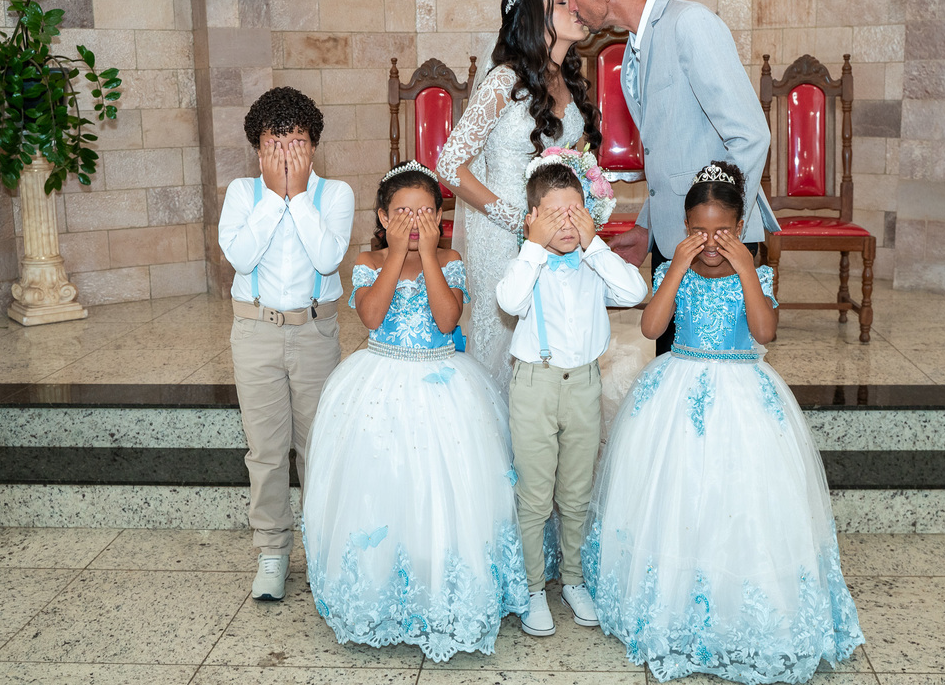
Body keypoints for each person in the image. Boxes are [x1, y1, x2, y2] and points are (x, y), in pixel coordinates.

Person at [582, 161, 864, 682]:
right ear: (684, 230)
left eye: (722, 232)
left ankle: (741, 604)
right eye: (696, 231)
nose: (709, 241)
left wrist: (745, 270)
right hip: (677, 389)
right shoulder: (677, 270)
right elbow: (650, 326)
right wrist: (673, 267)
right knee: (679, 497)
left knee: (740, 499)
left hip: (742, 395)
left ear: (740, 230)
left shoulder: (757, 275)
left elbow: (765, 330)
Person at [302, 162, 528, 662]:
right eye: (401, 211)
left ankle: (439, 584)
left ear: (441, 216)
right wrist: (396, 255)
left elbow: (448, 319)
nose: (412, 219)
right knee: (382, 486)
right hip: (378, 381)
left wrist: (425, 253)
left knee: (443, 489)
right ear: (382, 216)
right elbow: (371, 315)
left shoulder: (448, 257)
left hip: (444, 382)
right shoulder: (366, 258)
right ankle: (381, 588)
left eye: (424, 211)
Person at [557, 0, 780, 355]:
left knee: (719, 366)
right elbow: (671, 152)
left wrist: (723, 229)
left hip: (714, 241)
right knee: (676, 362)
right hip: (677, 239)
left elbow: (751, 136)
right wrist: (648, 225)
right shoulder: (632, 54)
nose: (573, 5)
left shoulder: (689, 24)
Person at [495, 160, 647, 637]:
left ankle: (575, 580)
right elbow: (510, 302)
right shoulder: (526, 265)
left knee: (577, 491)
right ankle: (534, 586)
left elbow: (635, 290)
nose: (566, 222)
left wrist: (594, 245)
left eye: (575, 211)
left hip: (583, 385)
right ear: (531, 218)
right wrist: (534, 249)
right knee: (536, 495)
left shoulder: (593, 262)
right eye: (553, 214)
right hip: (535, 387)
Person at [218, 86, 355, 602]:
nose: (284, 154)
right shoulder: (242, 194)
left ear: (313, 146)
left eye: (295, 141)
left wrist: (297, 198)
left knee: (316, 448)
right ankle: (273, 552)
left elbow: (326, 258)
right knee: (267, 451)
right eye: (275, 143)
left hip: (314, 331)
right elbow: (242, 257)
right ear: (258, 148)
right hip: (255, 331)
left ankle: (321, 548)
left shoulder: (335, 195)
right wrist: (274, 198)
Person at [437, 0, 601, 392]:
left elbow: (575, 162)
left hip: (556, 231)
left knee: (552, 336)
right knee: (505, 347)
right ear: (533, 19)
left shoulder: (570, 83)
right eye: (562, 2)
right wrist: (515, 219)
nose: (575, 7)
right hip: (504, 232)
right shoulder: (504, 83)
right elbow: (450, 164)